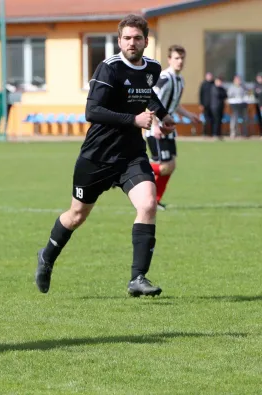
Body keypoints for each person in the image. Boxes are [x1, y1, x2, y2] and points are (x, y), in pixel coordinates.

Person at [34, 14, 175, 298]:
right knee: (76, 216)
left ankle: (138, 278)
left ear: (146, 41)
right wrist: (134, 120)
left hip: (132, 156)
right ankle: (47, 255)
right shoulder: (108, 69)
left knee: (147, 204)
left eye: (137, 38)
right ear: (119, 40)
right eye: (126, 38)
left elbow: (145, 93)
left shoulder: (153, 67)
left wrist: (162, 114)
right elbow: (93, 111)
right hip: (97, 157)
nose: (132, 43)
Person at [145, 45, 200, 210]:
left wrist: (190, 115)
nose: (180, 61)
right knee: (163, 167)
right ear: (169, 59)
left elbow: (174, 105)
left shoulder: (180, 80)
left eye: (182, 58)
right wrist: (155, 126)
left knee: (170, 167)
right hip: (157, 130)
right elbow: (152, 102)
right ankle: (127, 169)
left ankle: (155, 201)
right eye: (176, 58)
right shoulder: (165, 78)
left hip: (168, 130)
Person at [199, 72, 214, 136]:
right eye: (208, 76)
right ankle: (205, 133)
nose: (209, 77)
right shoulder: (203, 84)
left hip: (213, 105)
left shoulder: (214, 84)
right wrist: (201, 104)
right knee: (206, 120)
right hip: (205, 105)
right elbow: (200, 94)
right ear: (206, 77)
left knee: (212, 120)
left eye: (210, 76)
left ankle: (212, 133)